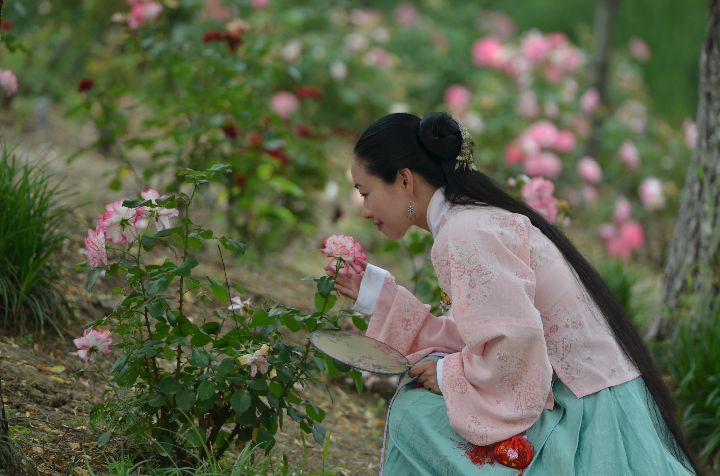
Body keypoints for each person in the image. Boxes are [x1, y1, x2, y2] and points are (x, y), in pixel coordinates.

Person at [326, 112, 701, 475]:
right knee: (420, 405)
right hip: (589, 394)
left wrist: (444, 373)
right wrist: (375, 295)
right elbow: (478, 335)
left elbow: (513, 344)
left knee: (415, 413)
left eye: (365, 192)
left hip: (585, 414)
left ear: (405, 180)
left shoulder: (465, 233)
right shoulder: (469, 220)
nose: (363, 210)